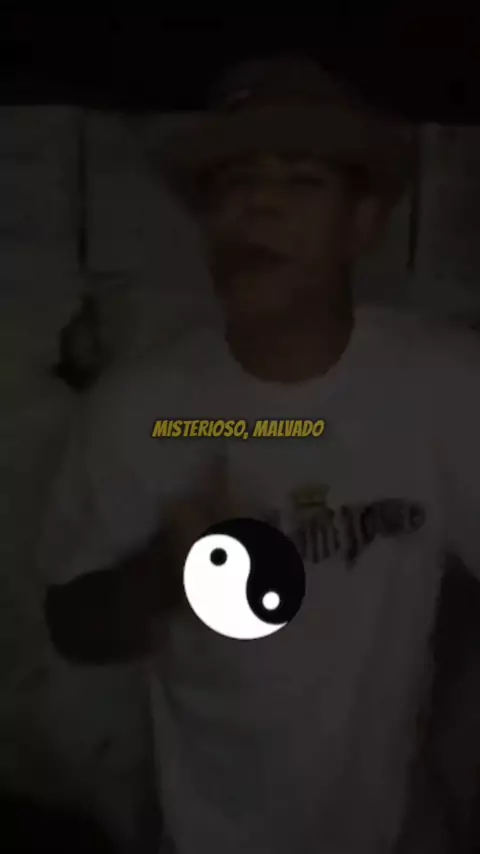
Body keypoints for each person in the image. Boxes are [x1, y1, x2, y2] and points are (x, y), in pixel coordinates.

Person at [38, 55, 480, 854]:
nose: (257, 207)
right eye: (234, 184)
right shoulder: (142, 411)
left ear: (363, 224)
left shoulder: (447, 386)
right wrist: (167, 574)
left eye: (300, 183)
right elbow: (70, 623)